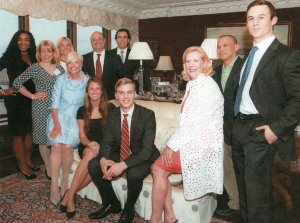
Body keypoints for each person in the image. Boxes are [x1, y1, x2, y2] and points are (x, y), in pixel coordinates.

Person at [232, 1, 300, 222]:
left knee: (258, 197)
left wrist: (275, 129)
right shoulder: (248, 56)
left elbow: (298, 99)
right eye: (251, 18)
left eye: (261, 17)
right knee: (244, 193)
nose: (255, 22)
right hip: (240, 129)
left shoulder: (286, 55)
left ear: (273, 20)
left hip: (261, 131)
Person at [149, 46, 224, 223]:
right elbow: (186, 122)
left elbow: (194, 125)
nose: (191, 65)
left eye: (196, 61)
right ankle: (169, 217)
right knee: (159, 169)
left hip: (200, 146)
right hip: (190, 141)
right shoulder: (193, 83)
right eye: (188, 61)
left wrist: (170, 145)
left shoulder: (207, 87)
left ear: (205, 62)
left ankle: (156, 220)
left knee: (157, 169)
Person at [88, 78, 160, 222]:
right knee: (93, 164)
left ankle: (129, 208)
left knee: (133, 172)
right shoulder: (112, 114)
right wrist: (103, 159)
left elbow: (146, 150)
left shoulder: (147, 115)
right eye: (121, 93)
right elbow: (107, 142)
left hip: (144, 156)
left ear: (134, 94)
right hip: (121, 151)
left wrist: (122, 165)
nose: (125, 97)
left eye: (129, 92)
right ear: (116, 95)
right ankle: (111, 203)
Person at [59, 77, 116, 219]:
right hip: (87, 146)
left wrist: (101, 146)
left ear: (102, 91)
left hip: (105, 147)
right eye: (91, 89)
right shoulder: (82, 110)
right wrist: (91, 144)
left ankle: (69, 194)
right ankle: (71, 196)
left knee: (93, 164)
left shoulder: (111, 108)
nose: (95, 91)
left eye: (98, 88)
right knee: (91, 153)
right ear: (87, 92)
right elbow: (82, 137)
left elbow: (113, 134)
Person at [13, 40, 65, 181]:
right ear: (39, 53)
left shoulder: (60, 68)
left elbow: (67, 85)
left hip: (58, 107)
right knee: (43, 140)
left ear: (54, 53)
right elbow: (17, 82)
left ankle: (56, 166)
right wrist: (32, 95)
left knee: (57, 139)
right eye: (43, 51)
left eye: (49, 51)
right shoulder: (35, 67)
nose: (46, 54)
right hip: (41, 107)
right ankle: (49, 168)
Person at [46, 52, 89, 206]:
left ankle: (64, 183)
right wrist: (57, 124)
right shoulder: (60, 79)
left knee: (68, 147)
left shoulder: (86, 81)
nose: (72, 65)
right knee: (57, 145)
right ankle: (53, 188)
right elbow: (55, 104)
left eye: (76, 62)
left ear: (81, 64)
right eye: (70, 62)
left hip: (76, 119)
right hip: (58, 116)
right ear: (67, 64)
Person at [0, 30, 38, 179]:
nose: (23, 42)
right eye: (20, 39)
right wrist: (2, 92)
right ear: (15, 41)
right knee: (19, 133)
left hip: (33, 99)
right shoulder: (9, 57)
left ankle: (27, 160)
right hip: (16, 100)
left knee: (31, 132)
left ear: (30, 42)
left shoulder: (35, 56)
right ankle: (21, 165)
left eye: (26, 40)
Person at [213, 35, 242, 216]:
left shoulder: (244, 68)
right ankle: (236, 202)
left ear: (236, 47)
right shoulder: (215, 71)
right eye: (218, 46)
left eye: (225, 45)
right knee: (227, 167)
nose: (221, 49)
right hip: (221, 128)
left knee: (242, 168)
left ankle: (245, 204)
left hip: (241, 127)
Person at [82, 31, 128, 100]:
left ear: (104, 40)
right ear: (91, 42)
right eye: (94, 40)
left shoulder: (115, 58)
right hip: (91, 99)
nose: (97, 42)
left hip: (111, 99)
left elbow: (123, 78)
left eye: (99, 39)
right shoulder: (84, 59)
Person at [110, 28, 152, 96]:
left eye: (125, 37)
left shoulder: (134, 54)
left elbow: (144, 72)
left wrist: (148, 90)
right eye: (119, 37)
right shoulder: (110, 54)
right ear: (116, 40)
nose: (122, 39)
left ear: (128, 40)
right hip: (113, 91)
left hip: (129, 90)